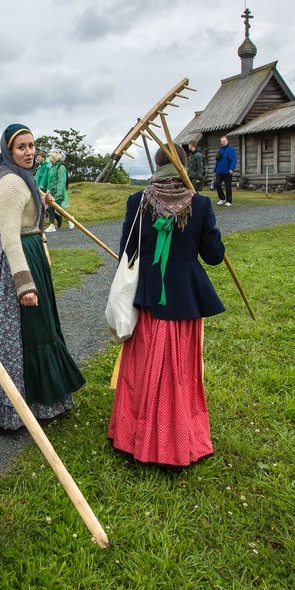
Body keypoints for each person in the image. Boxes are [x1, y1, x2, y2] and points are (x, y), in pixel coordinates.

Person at [0, 125, 85, 431]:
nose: (29, 152)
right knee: (29, 328)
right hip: (16, 263)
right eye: (21, 148)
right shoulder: (12, 184)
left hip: (27, 254)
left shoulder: (19, 179)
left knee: (35, 326)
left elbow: (21, 218)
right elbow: (11, 239)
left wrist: (39, 204)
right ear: (9, 151)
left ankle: (36, 398)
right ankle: (28, 403)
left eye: (31, 146)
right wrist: (24, 285)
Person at [109, 144, 226, 467]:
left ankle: (137, 436)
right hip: (183, 299)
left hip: (148, 298)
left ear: (157, 166)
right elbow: (214, 256)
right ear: (184, 166)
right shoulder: (199, 204)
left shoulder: (138, 202)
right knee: (178, 372)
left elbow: (127, 252)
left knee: (145, 366)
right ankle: (174, 438)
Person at [44, 150, 73, 231]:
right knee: (51, 208)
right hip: (51, 191)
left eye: (50, 156)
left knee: (58, 209)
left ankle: (70, 219)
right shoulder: (52, 167)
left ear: (54, 157)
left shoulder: (61, 167)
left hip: (57, 192)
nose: (49, 158)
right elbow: (50, 180)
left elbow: (61, 180)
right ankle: (52, 225)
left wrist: (59, 192)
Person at [211, 135, 237, 205]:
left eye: (224, 141)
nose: (223, 142)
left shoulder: (231, 150)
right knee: (217, 184)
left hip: (227, 171)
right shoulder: (220, 150)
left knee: (228, 186)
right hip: (219, 171)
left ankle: (229, 201)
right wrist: (215, 170)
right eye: (222, 141)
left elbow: (233, 160)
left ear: (227, 141)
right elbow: (217, 161)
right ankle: (222, 198)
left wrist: (232, 168)